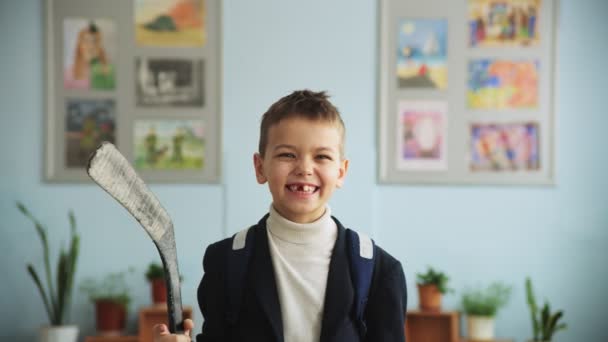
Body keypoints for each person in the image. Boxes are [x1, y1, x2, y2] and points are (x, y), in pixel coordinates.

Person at [153, 90, 407, 342]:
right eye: (287, 154)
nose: (305, 168)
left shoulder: (379, 271)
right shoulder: (225, 262)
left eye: (322, 156)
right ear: (260, 167)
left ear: (341, 172)